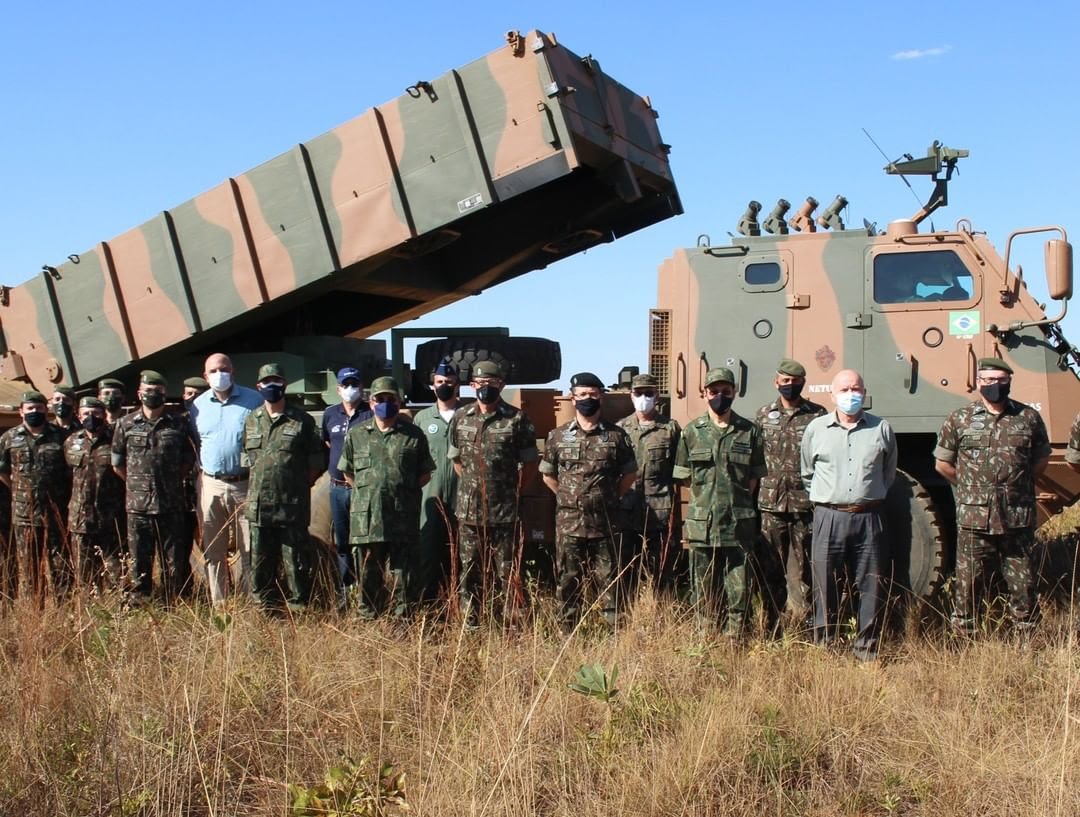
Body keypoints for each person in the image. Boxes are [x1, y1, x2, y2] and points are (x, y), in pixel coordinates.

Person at [934, 358, 1050, 635]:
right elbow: (943, 464)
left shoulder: (1028, 418)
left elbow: (1040, 460)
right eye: (988, 380)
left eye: (1000, 380)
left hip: (1016, 518)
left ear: (1009, 381)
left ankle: (1027, 638)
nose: (994, 385)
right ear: (978, 382)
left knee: (1024, 584)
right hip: (975, 519)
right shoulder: (960, 418)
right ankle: (965, 638)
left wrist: (1017, 485)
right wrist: (971, 489)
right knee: (968, 584)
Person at [801, 368, 897, 660]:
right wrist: (832, 499)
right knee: (824, 585)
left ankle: (866, 651)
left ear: (864, 393)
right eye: (844, 390)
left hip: (869, 517)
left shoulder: (881, 429)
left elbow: (888, 473)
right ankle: (826, 650)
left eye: (856, 389)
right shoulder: (816, 429)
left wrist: (866, 497)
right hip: (829, 517)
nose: (850, 395)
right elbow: (807, 473)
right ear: (832, 395)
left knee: (871, 585)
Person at [672, 367, 765, 635]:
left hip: (738, 525)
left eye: (725, 391)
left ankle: (736, 642)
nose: (719, 396)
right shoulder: (691, 432)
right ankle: (706, 639)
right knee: (703, 589)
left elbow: (753, 478)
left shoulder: (749, 431)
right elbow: (685, 477)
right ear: (704, 394)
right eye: (713, 391)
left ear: (734, 392)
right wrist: (708, 498)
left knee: (740, 590)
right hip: (703, 525)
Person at [540, 372, 636, 631]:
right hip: (570, 522)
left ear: (601, 397)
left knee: (610, 580)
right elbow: (547, 474)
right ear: (573, 398)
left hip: (605, 522)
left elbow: (630, 473)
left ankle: (614, 633)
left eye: (593, 394)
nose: (587, 399)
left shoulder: (616, 436)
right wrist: (567, 496)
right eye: (582, 394)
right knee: (568, 580)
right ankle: (568, 632)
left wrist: (611, 496)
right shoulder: (558, 436)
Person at [448, 360, 538, 628]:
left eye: (492, 383)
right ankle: (471, 623)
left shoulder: (517, 419)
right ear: (472, 385)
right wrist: (474, 486)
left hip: (504, 513)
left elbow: (530, 465)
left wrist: (511, 492)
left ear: (501, 385)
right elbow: (457, 461)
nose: (485, 388)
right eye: (480, 383)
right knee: (470, 571)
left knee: (508, 572)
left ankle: (513, 624)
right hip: (469, 512)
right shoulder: (461, 417)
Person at [339, 376, 434, 619]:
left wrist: (401, 491)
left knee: (405, 576)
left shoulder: (413, 435)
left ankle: (404, 621)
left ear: (398, 402)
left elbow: (424, 474)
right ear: (371, 403)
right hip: (367, 520)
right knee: (368, 573)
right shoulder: (357, 434)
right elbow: (348, 473)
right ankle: (368, 620)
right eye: (379, 399)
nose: (385, 403)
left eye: (390, 399)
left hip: (402, 518)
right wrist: (370, 493)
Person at [242, 363, 325, 613]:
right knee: (260, 562)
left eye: (276, 381)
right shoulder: (251, 420)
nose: (272, 386)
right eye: (267, 382)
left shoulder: (302, 421)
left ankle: (299, 609)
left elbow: (316, 462)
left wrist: (297, 485)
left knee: (296, 562)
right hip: (260, 507)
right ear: (259, 386)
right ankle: (264, 609)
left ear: (285, 385)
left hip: (292, 506)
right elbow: (247, 460)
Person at [754, 358, 827, 631]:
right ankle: (773, 624)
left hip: (805, 505)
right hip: (770, 505)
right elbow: (755, 458)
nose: (790, 385)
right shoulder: (763, 415)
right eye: (785, 381)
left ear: (803, 383)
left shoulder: (818, 415)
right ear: (776, 382)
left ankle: (810, 626)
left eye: (796, 381)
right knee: (771, 567)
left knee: (810, 569)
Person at [112, 371, 197, 604]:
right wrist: (137, 484)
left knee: (173, 561)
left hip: (171, 504)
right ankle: (141, 603)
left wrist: (170, 481)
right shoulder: (125, 424)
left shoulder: (178, 424)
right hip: (138, 507)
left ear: (164, 394)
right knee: (139, 561)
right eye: (148, 391)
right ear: (140, 393)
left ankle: (172, 603)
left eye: (158, 391)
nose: (153, 395)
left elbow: (188, 459)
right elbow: (117, 463)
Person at [189, 353, 263, 605]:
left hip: (244, 482)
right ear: (205, 376)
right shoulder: (198, 407)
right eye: (213, 371)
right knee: (214, 548)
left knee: (249, 547)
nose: (219, 374)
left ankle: (251, 602)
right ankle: (220, 604)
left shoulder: (254, 401)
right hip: (211, 483)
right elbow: (196, 442)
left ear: (233, 371)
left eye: (223, 369)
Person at [0, 390, 72, 605]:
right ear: (21, 411)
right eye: (30, 408)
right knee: (30, 566)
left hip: (56, 511)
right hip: (25, 515)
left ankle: (64, 609)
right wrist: (19, 490)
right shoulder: (9, 438)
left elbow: (71, 471)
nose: (34, 411)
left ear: (46, 410)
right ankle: (35, 610)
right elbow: (3, 471)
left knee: (61, 565)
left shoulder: (61, 436)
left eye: (39, 408)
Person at [617, 372, 681, 596]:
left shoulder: (670, 429)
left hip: (660, 512)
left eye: (649, 393)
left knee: (661, 572)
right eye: (638, 393)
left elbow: (679, 469)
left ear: (657, 396)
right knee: (626, 573)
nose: (643, 397)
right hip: (626, 511)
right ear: (631, 396)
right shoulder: (620, 429)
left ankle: (659, 612)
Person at [65, 396, 126, 591]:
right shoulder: (71, 441)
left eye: (96, 413)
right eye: (86, 414)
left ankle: (119, 608)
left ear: (104, 415)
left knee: (118, 574)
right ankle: (89, 607)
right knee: (84, 575)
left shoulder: (116, 439)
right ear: (78, 416)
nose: (91, 417)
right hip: (80, 518)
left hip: (111, 518)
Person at [413, 359, 461, 607]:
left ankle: (461, 604)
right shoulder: (422, 418)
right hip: (430, 496)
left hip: (461, 495)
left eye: (449, 382)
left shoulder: (467, 415)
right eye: (440, 382)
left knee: (461, 552)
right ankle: (428, 606)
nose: (444, 385)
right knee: (428, 552)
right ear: (432, 386)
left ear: (457, 385)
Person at [321, 366, 373, 592]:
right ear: (338, 389)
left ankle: (367, 588)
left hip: (363, 488)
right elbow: (327, 442)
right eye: (346, 385)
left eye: (354, 384)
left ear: (361, 387)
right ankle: (346, 588)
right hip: (338, 488)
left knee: (365, 540)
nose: (350, 388)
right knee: (342, 541)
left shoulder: (370, 413)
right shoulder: (330, 414)